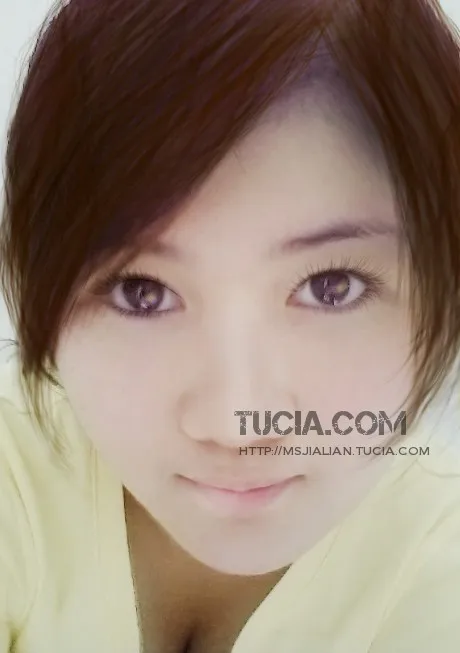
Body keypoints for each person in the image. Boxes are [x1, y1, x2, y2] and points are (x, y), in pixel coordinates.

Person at [1, 0, 460, 650]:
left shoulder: (438, 558)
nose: (237, 425)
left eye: (331, 288)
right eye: (141, 292)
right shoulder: (16, 474)